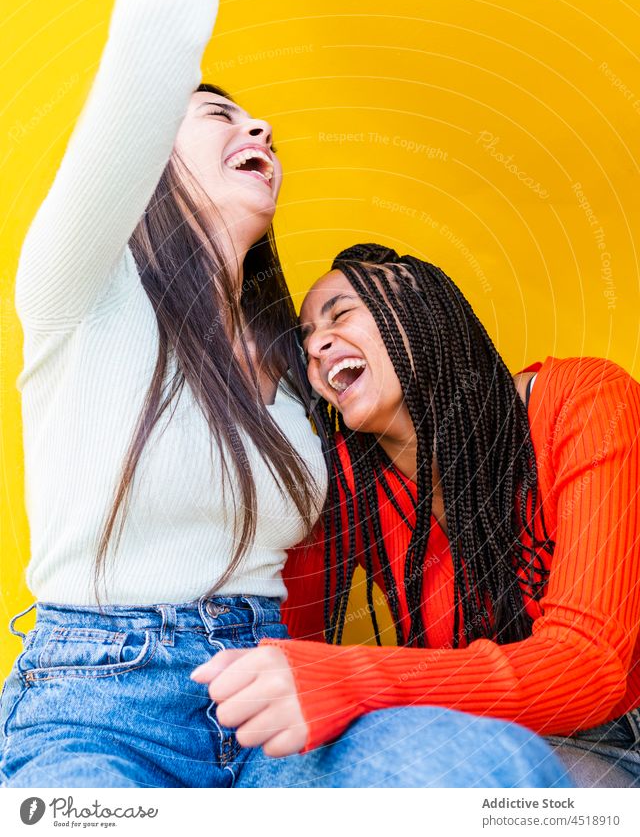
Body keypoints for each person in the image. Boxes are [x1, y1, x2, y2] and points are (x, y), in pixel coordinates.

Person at [1, 0, 572, 789]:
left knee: (492, 771)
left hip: (271, 695)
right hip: (99, 705)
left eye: (258, 122)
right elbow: (147, 52)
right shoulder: (82, 290)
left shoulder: (295, 378)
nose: (259, 129)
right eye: (217, 115)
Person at [193, 242, 640, 788]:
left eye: (341, 314)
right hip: (477, 738)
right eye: (307, 340)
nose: (317, 347)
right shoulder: (348, 491)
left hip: (619, 734)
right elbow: (288, 649)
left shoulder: (585, 403)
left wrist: (356, 679)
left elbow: (588, 669)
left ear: (420, 308)